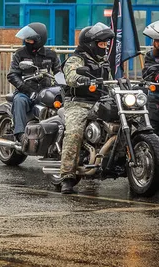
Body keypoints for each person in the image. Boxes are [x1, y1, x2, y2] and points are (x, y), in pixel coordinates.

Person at [60, 22, 114, 194]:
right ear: (90, 44)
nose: (104, 47)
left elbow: (111, 81)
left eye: (106, 44)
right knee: (74, 132)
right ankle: (67, 176)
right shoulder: (76, 59)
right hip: (79, 102)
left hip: (101, 101)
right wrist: (81, 79)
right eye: (101, 44)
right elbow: (70, 75)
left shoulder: (104, 62)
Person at [6, 22, 61, 140]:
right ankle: (20, 135)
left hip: (45, 92)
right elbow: (12, 74)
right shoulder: (20, 53)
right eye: (26, 40)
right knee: (19, 100)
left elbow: (59, 73)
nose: (27, 42)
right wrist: (27, 90)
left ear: (39, 40)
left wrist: (63, 87)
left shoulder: (51, 55)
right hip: (25, 92)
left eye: (30, 40)